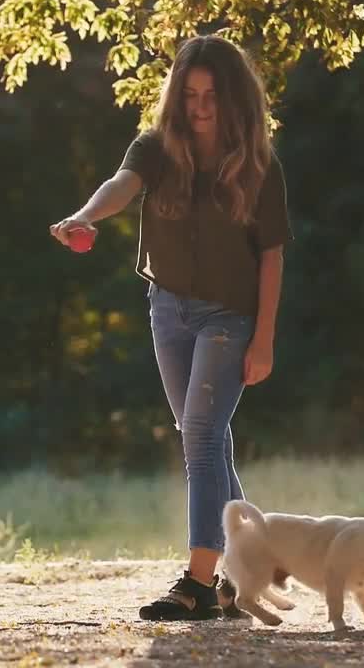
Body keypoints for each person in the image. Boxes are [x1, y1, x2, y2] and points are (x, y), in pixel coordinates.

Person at [49, 34, 292, 621]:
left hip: (229, 318)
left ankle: (199, 583)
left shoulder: (260, 164)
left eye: (212, 95)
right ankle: (245, 571)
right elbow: (121, 186)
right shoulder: (156, 148)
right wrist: (84, 216)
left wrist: (263, 338)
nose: (200, 107)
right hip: (168, 308)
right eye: (190, 95)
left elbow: (272, 256)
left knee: (201, 439)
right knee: (206, 437)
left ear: (234, 99)